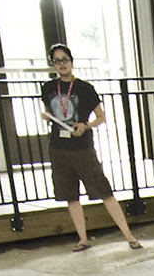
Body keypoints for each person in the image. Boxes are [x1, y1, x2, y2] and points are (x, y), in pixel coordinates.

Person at [38, 44, 143, 253]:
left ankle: (129, 236)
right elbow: (51, 111)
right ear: (53, 64)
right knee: (70, 195)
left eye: (65, 59)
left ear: (72, 61)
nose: (62, 64)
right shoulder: (48, 88)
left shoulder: (85, 88)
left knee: (104, 190)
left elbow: (101, 117)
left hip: (82, 147)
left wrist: (86, 126)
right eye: (57, 61)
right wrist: (46, 116)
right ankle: (83, 238)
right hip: (58, 147)